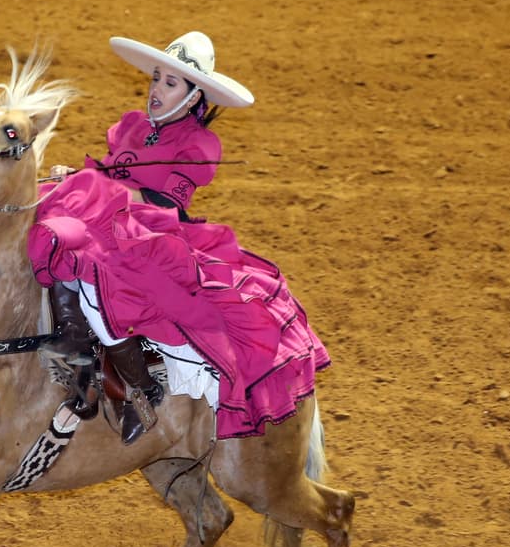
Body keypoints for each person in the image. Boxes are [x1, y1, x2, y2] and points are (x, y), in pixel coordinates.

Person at [27, 31, 331, 444]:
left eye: (169, 84)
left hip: (154, 232)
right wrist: (81, 177)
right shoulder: (134, 127)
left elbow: (159, 199)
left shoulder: (197, 144)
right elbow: (112, 171)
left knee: (95, 267)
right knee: (48, 220)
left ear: (193, 97)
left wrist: (96, 186)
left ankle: (139, 389)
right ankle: (74, 350)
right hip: (110, 216)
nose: (156, 89)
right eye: (155, 78)